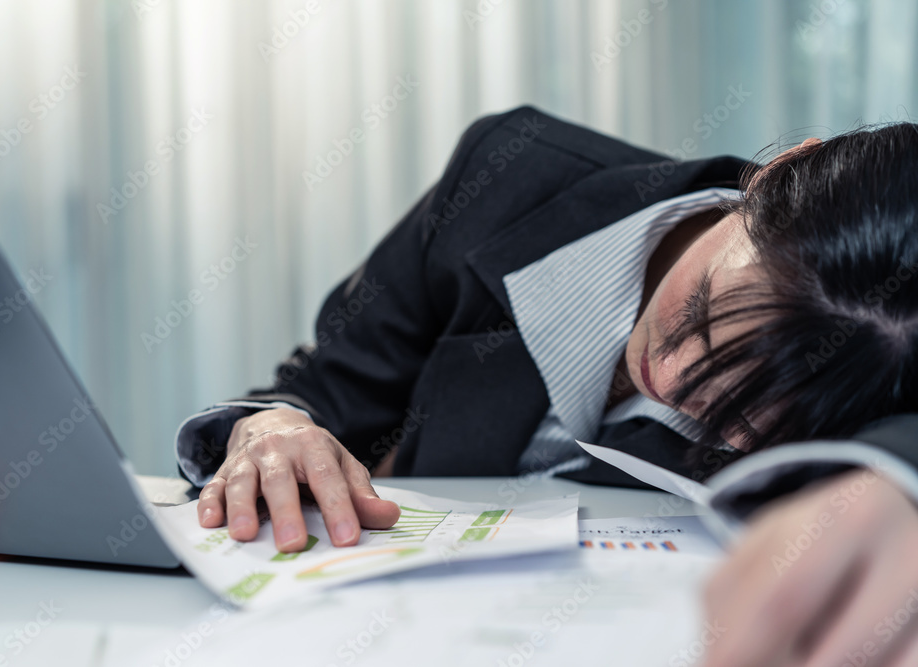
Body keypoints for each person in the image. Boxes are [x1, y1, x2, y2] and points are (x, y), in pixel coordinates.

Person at [175, 107, 918, 665]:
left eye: (747, 403)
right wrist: (272, 428)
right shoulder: (509, 179)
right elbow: (323, 396)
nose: (676, 379)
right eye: (701, 316)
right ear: (778, 170)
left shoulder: (882, 363)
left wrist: (898, 482)